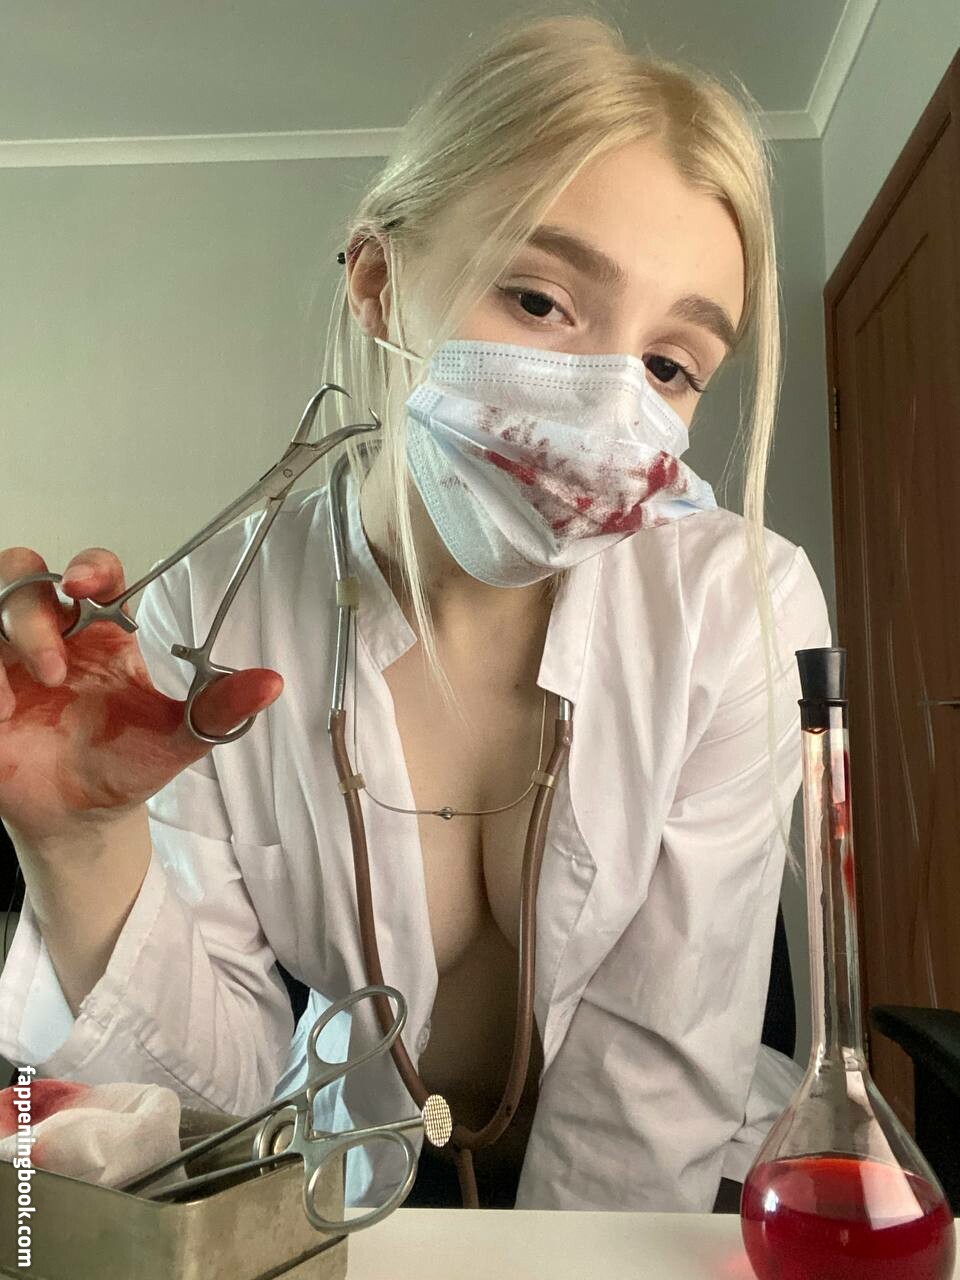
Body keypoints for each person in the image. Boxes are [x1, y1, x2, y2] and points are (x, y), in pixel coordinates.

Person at [0, 13, 830, 1213]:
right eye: (541, 300)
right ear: (380, 285)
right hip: (359, 1178)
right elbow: (213, 1091)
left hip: (661, 1198)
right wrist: (79, 851)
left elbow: (653, 1087)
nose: (610, 408)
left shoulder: (736, 607)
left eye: (668, 365)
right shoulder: (207, 622)